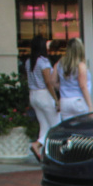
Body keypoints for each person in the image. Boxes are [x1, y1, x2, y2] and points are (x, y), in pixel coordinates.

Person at [25, 35, 59, 163]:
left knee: (44, 125)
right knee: (56, 125)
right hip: (44, 95)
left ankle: (38, 145)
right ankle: (55, 153)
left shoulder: (29, 61)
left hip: (33, 94)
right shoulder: (43, 61)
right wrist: (56, 99)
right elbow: (48, 81)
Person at [57, 38, 93, 119]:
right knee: (82, 128)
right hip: (78, 100)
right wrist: (90, 106)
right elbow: (83, 86)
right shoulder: (81, 66)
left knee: (69, 129)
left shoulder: (60, 63)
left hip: (64, 101)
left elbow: (52, 81)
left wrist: (62, 87)